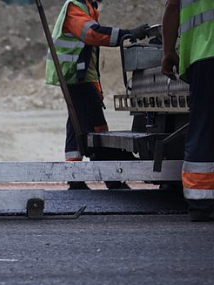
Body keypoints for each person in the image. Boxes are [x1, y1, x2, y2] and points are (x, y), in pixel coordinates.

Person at [45, 0, 148, 190]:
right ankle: (110, 179)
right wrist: (128, 33)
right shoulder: (74, 7)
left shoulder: (87, 9)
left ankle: (74, 176)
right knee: (97, 127)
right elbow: (92, 34)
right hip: (76, 78)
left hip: (79, 78)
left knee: (76, 125)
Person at [161, 0, 214, 222]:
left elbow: (172, 9)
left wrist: (167, 51)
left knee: (204, 127)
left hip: (201, 56)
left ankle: (200, 203)